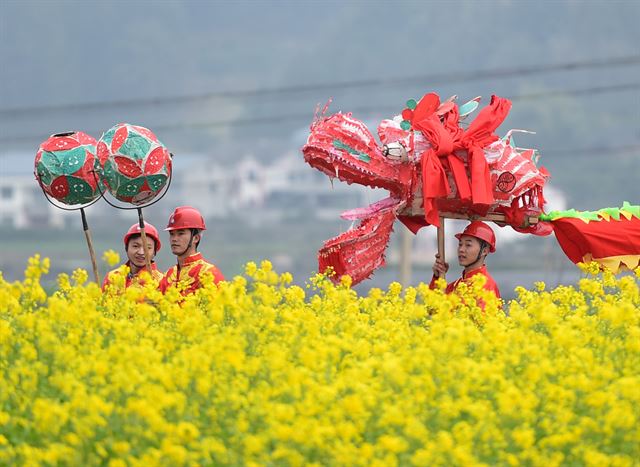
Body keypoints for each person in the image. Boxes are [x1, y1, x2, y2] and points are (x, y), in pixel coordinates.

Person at [159, 206, 225, 295]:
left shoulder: (209, 273)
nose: (174, 239)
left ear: (196, 238)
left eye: (180, 234)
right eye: (172, 234)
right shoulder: (168, 275)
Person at [429, 221, 501, 299]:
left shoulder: (487, 286)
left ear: (484, 251)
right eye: (460, 244)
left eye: (468, 245)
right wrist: (438, 277)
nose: (461, 249)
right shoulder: (456, 284)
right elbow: (433, 307)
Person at [102, 222, 164, 291]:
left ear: (154, 251)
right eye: (135, 246)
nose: (141, 252)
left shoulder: (161, 282)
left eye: (147, 248)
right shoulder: (112, 277)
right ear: (126, 247)